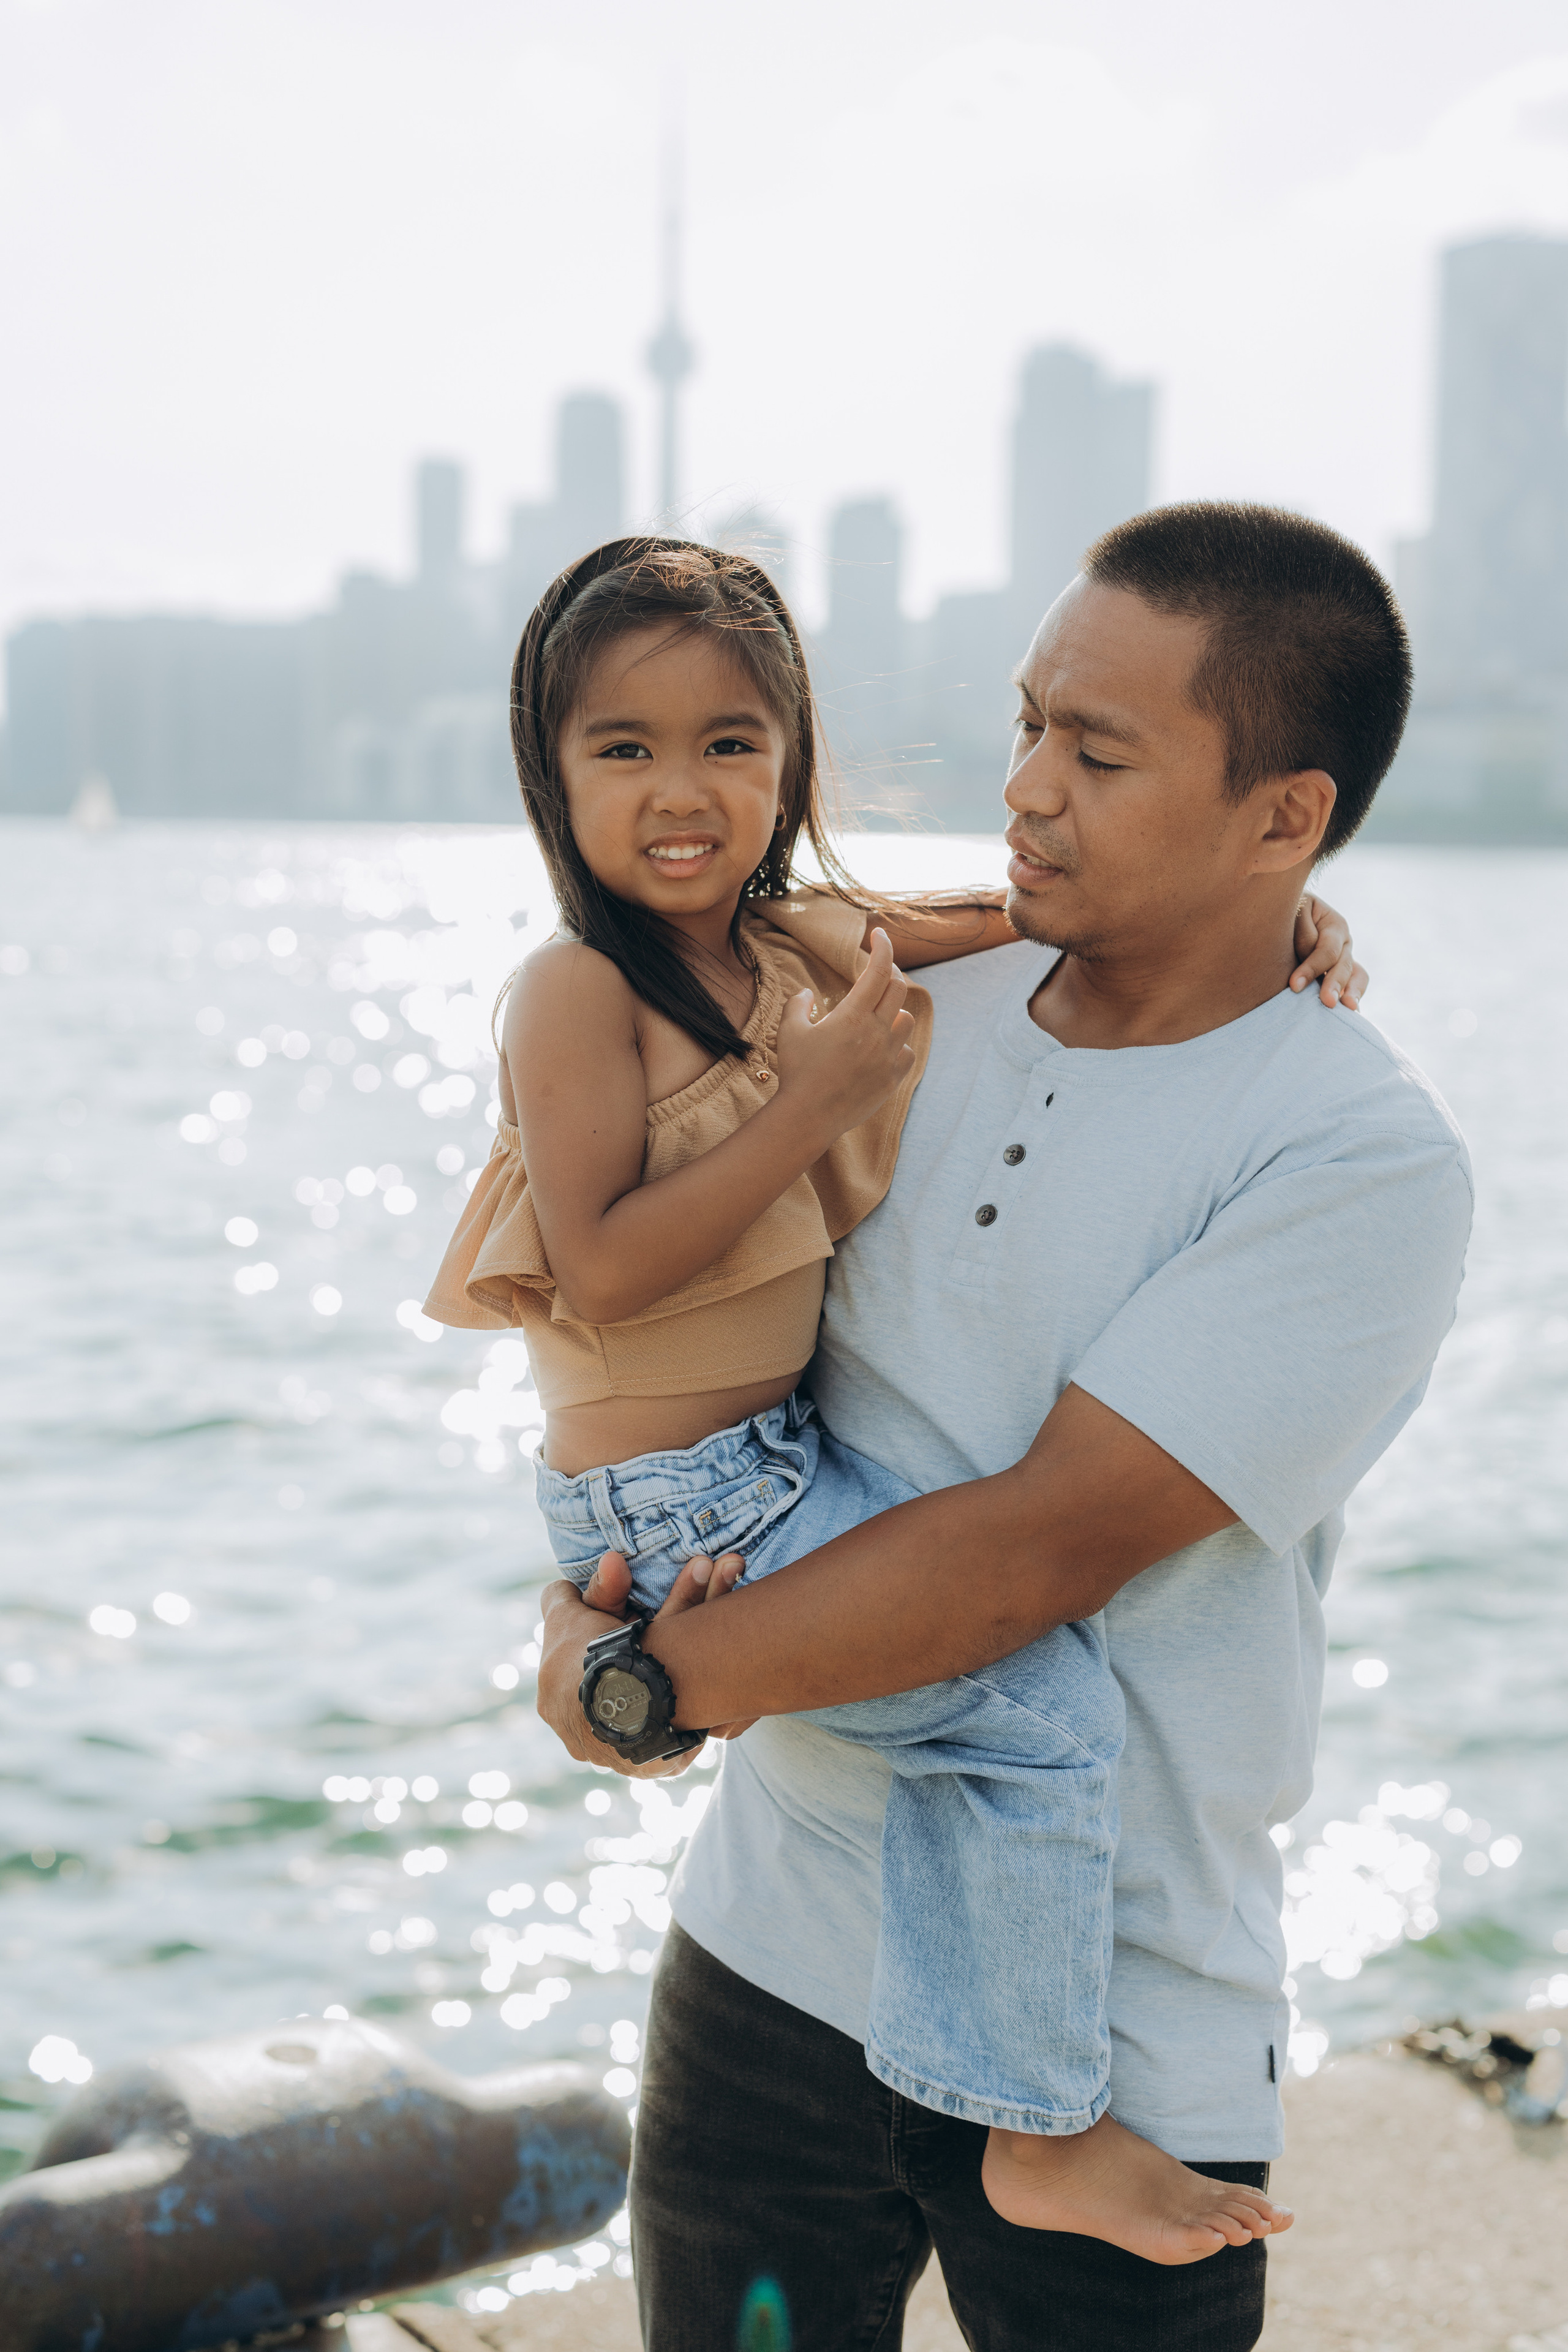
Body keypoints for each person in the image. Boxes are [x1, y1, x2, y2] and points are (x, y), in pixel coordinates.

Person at [535, 505, 1474, 2352]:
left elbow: (1030, 1556)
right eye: (1030, 723)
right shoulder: (881, 1014)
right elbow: (660, 1340)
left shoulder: (1352, 1153)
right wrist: (586, 1612)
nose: (1028, 787)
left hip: (1115, 2041)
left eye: (1098, 755)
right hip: (769, 1965)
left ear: (1284, 816)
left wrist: (638, 1688)